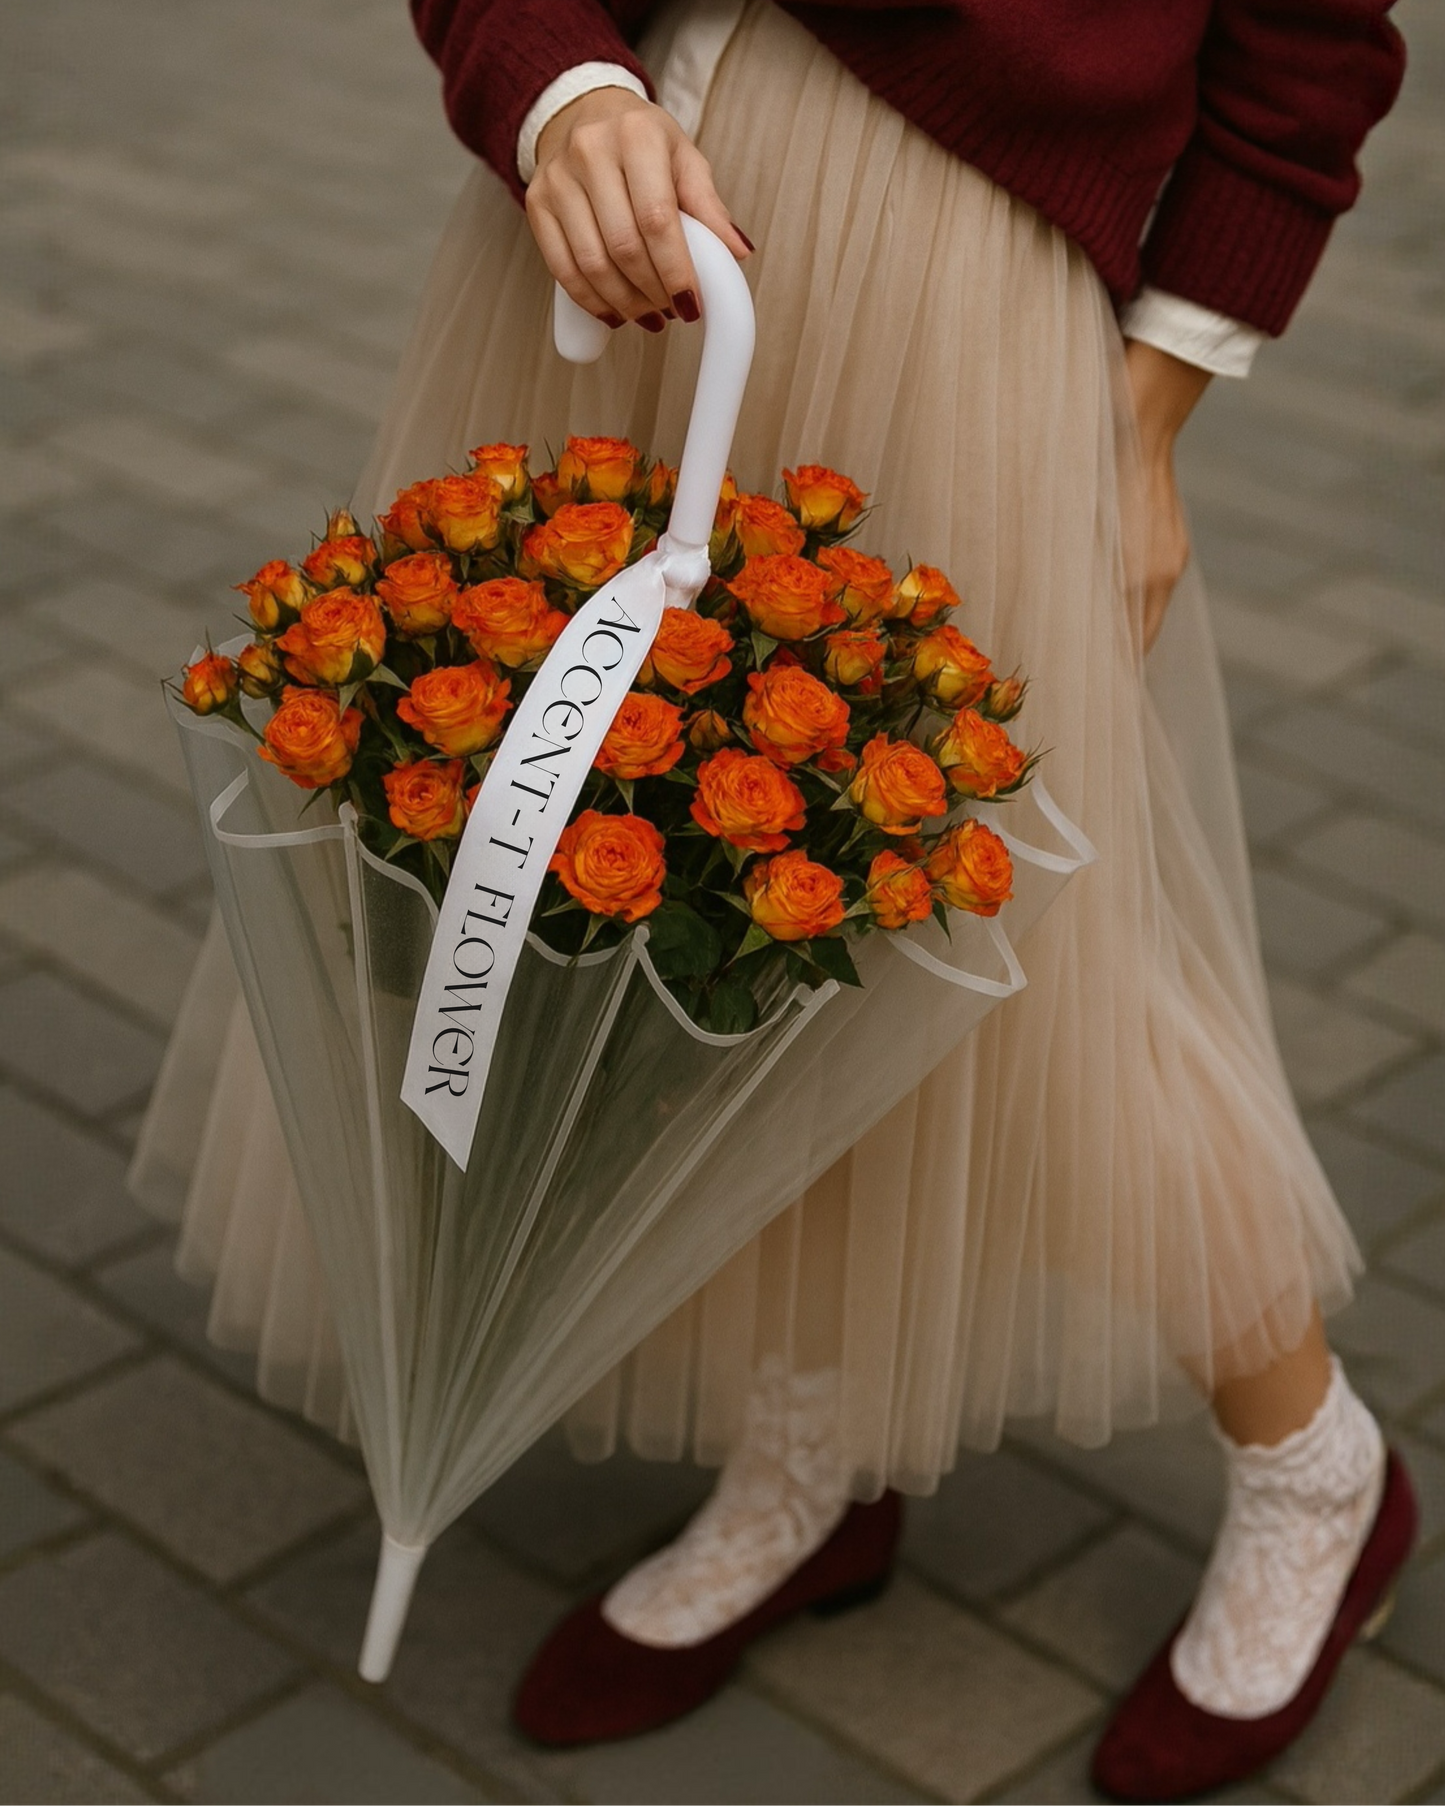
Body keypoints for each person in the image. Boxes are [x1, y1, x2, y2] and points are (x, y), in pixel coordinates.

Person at [131, 1, 1411, 1798]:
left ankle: (1312, 1461)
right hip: (616, 237)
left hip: (960, 279)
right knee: (678, 904)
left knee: (1009, 948)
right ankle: (813, 1438)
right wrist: (561, 88)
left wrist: (1150, 403)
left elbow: (1304, 38)